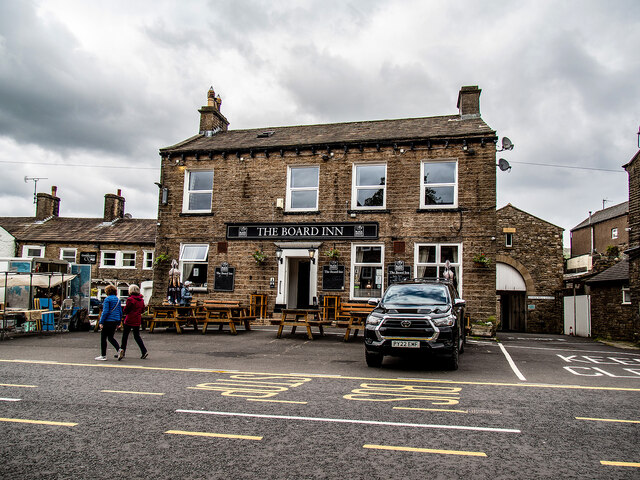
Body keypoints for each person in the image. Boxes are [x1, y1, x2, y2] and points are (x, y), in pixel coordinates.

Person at [118, 284, 148, 360]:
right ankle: (144, 351)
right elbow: (143, 310)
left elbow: (126, 310)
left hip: (129, 319)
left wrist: (125, 311)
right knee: (137, 336)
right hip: (137, 319)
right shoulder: (141, 300)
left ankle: (122, 351)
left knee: (125, 336)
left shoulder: (130, 299)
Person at [95, 285, 122, 361]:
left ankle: (103, 355)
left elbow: (105, 311)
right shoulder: (117, 300)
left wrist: (101, 322)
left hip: (108, 320)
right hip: (115, 320)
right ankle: (119, 349)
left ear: (108, 291)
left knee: (103, 338)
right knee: (110, 337)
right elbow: (120, 312)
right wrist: (119, 322)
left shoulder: (107, 299)